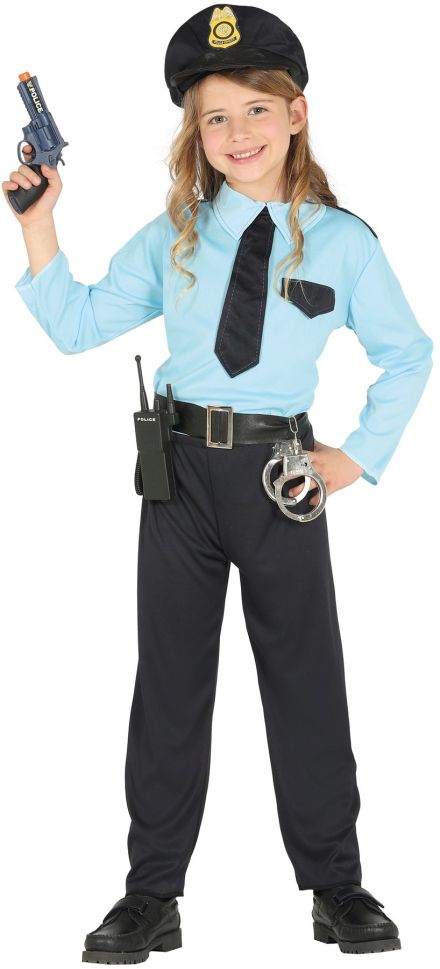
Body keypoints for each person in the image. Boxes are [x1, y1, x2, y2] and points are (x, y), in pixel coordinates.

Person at [3, 3, 433, 961]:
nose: (238, 134)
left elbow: (409, 353)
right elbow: (76, 324)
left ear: (297, 113)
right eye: (214, 118)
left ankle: (337, 884)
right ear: (193, 133)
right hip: (181, 480)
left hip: (284, 479)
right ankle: (151, 892)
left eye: (256, 110)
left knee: (306, 678)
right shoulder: (176, 236)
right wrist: (40, 223)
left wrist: (354, 457)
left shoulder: (343, 241)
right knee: (169, 684)